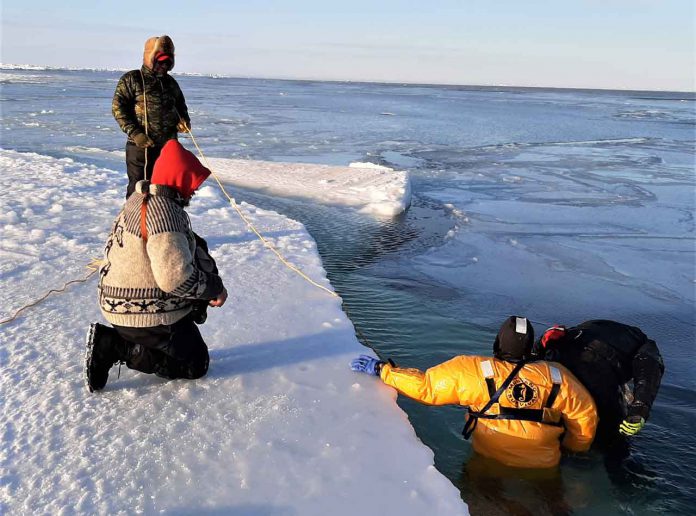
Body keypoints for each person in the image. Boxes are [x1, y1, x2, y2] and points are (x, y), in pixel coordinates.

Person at [351, 316, 598, 469]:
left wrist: (384, 371)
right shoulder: (558, 376)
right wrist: (574, 450)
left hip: (489, 460)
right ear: (531, 348)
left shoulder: (474, 371)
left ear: (497, 344)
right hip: (543, 464)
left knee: (483, 495)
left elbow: (425, 389)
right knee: (551, 502)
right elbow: (585, 416)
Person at [85, 140, 226, 392]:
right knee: (196, 364)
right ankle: (117, 346)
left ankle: (131, 338)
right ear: (177, 179)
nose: (193, 192)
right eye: (190, 184)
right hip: (143, 312)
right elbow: (175, 280)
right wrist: (213, 288)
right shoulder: (165, 215)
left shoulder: (140, 198)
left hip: (116, 301)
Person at [534, 319, 664, 451]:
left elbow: (538, 351)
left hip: (565, 355)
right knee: (611, 434)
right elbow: (647, 379)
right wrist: (639, 410)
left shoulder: (587, 329)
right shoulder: (645, 350)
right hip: (596, 366)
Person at [112, 35, 191, 198]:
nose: (163, 65)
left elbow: (180, 106)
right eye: (160, 61)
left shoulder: (171, 83)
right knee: (139, 189)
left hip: (167, 147)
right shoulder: (132, 79)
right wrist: (135, 133)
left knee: (166, 188)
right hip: (141, 147)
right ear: (150, 58)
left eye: (167, 62)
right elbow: (118, 108)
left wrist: (184, 121)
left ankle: (163, 220)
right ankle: (133, 222)